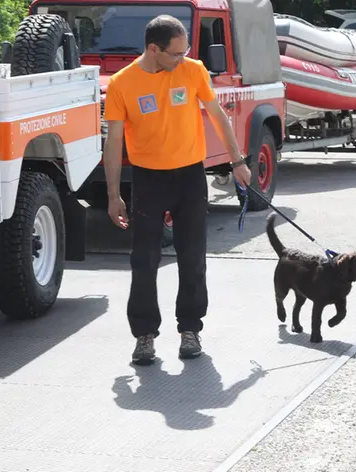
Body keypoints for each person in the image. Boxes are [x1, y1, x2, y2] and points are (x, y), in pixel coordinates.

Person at [102, 14, 251, 365]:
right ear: (154, 50)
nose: (182, 59)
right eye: (176, 54)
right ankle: (144, 336)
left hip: (189, 176)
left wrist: (238, 160)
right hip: (149, 179)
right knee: (144, 260)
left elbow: (218, 115)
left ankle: (190, 329)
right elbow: (114, 143)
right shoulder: (123, 84)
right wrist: (112, 195)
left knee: (193, 256)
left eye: (185, 53)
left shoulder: (193, 71)